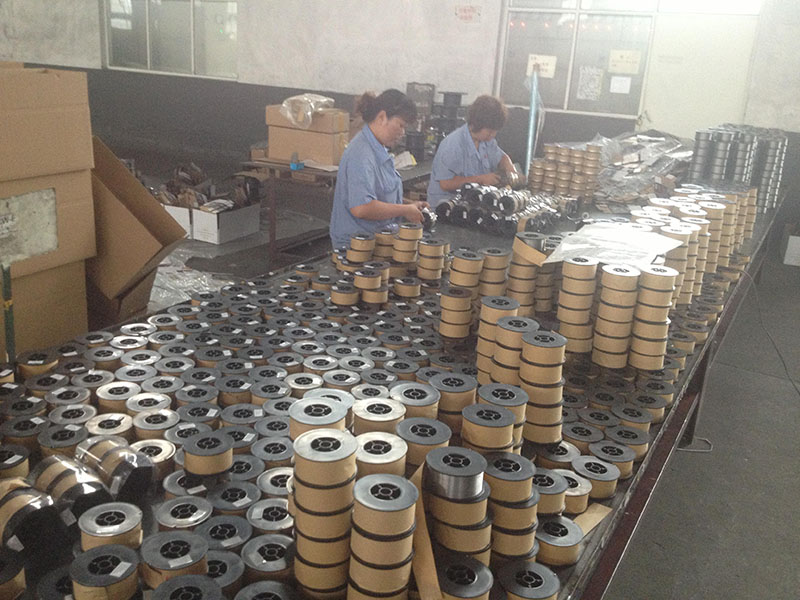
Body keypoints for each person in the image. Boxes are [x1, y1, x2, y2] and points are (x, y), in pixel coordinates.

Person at [330, 89, 429, 249]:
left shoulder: (378, 148)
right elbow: (361, 208)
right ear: (382, 117)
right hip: (356, 247)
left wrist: (410, 205)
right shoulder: (361, 154)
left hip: (377, 240)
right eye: (400, 125)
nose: (402, 132)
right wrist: (404, 210)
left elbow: (379, 194)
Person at [426, 95, 519, 208]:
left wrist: (511, 170)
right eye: (490, 131)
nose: (493, 135)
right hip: (446, 208)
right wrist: (481, 179)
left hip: (473, 204)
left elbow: (502, 157)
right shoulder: (453, 145)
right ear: (477, 124)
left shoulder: (487, 142)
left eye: (495, 131)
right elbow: (445, 183)